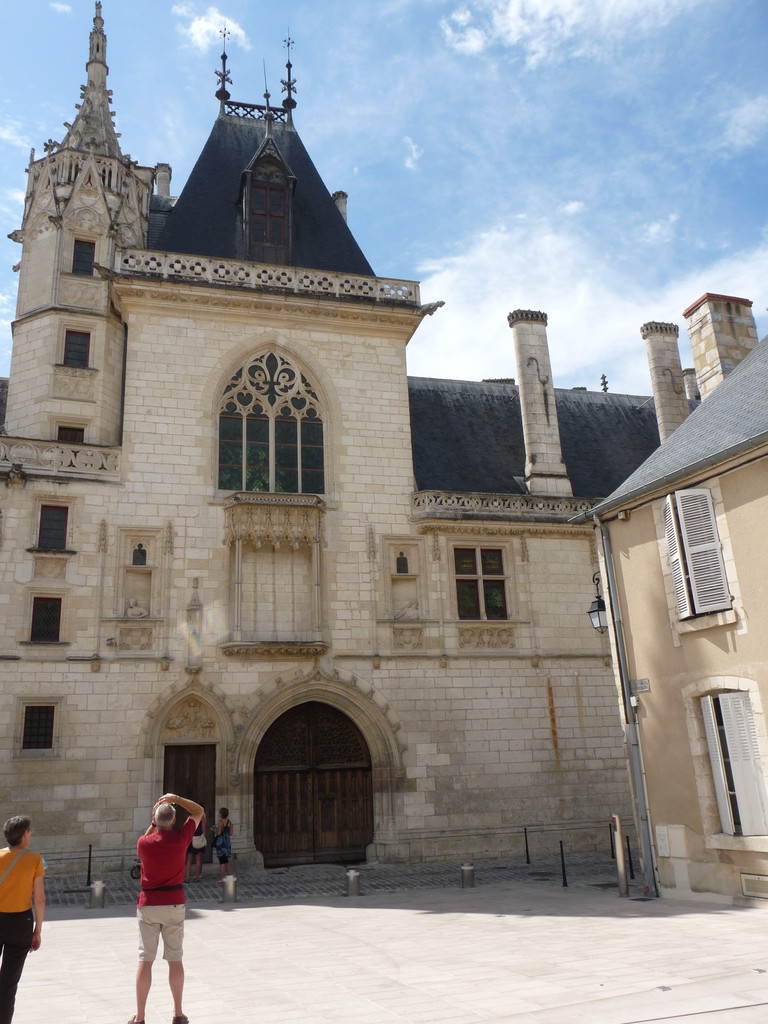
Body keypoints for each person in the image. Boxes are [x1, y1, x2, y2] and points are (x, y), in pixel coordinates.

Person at [129, 793, 204, 1024]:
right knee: (175, 959)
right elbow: (198, 811)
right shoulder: (181, 839)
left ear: (155, 820)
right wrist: (176, 799)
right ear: (173, 822)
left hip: (149, 904)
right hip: (174, 903)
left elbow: (146, 837)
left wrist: (154, 820)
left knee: (145, 960)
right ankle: (178, 1014)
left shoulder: (144, 842)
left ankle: (140, 1017)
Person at [0, 815, 45, 1024]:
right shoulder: (34, 859)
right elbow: (39, 898)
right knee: (8, 984)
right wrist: (38, 931)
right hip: (20, 924)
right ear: (25, 835)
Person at [184, 811, 206, 884]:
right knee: (198, 858)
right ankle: (197, 878)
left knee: (189, 858)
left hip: (190, 837)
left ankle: (187, 878)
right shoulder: (200, 816)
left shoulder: (190, 817)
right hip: (198, 837)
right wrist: (204, 836)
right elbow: (203, 826)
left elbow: (186, 827)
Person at [213, 808, 234, 878]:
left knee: (222, 861)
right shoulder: (229, 822)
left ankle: (222, 878)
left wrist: (214, 830)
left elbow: (218, 833)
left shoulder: (220, 822)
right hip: (227, 843)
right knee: (226, 860)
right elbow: (231, 833)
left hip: (221, 843)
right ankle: (229, 876)